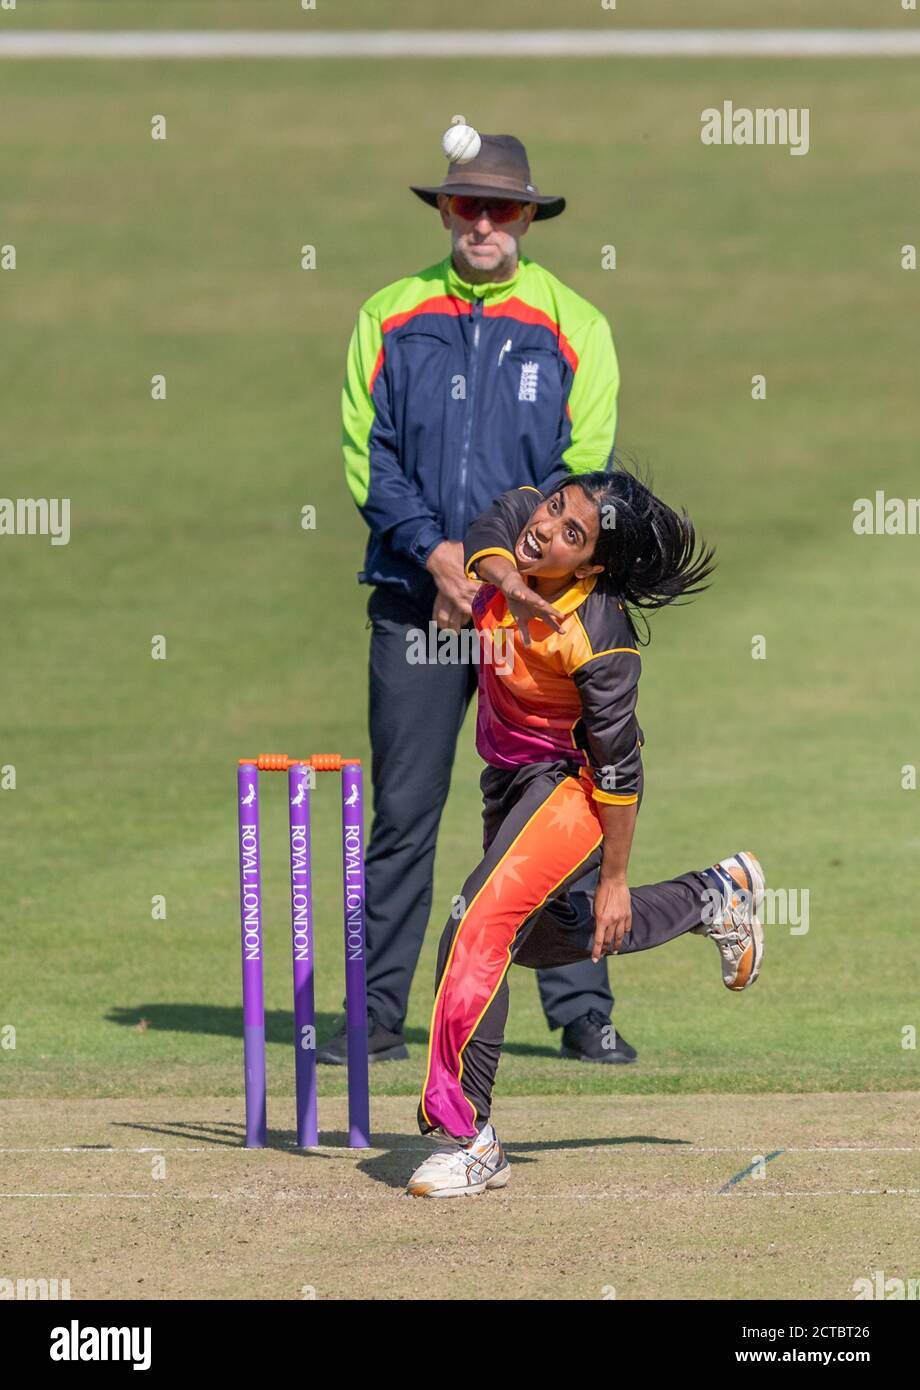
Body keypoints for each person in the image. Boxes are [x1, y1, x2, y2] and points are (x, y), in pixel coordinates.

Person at [330, 131, 638, 1068]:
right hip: (420, 604)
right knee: (407, 807)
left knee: (545, 807)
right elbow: (366, 456)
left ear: (529, 218)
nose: (485, 223)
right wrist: (436, 558)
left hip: (535, 621)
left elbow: (580, 482)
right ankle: (378, 1014)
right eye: (470, 206)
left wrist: (495, 567)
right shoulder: (390, 313)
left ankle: (582, 1011)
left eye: (503, 209)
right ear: (444, 211)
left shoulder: (575, 324)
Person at [406, 468, 766, 1197]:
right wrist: (505, 585)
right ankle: (713, 896)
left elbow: (620, 772)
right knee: (528, 941)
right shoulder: (517, 525)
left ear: (594, 566)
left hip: (573, 789)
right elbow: (486, 534)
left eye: (573, 534)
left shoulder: (601, 638)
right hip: (507, 782)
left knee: (473, 926)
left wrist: (613, 880)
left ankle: (468, 1134)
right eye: (555, 508)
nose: (547, 527)